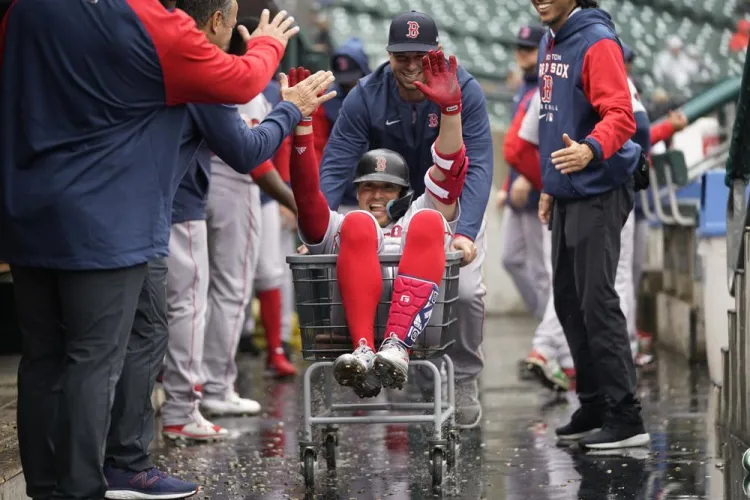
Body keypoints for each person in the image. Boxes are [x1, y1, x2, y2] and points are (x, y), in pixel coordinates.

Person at [0, 0, 301, 497]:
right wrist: (269, 43)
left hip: (29, 208)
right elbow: (242, 82)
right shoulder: (146, 19)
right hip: (104, 220)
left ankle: (48, 486)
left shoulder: (24, 9)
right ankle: (81, 488)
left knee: (44, 359)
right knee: (93, 360)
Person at [159, 13, 334, 446]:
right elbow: (250, 153)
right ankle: (208, 389)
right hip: (217, 189)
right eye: (237, 23)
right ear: (218, 22)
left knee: (189, 298)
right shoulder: (223, 75)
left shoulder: (195, 63)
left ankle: (196, 389)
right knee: (214, 293)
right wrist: (297, 198)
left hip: (187, 188)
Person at [318, 11, 493, 425]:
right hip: (389, 206)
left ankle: (464, 378)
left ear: (435, 51)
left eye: (420, 53)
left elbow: (480, 163)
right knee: (375, 288)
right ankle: (397, 361)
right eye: (402, 55)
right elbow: (338, 161)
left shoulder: (461, 87)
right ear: (388, 55)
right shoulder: (367, 93)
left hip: (446, 202)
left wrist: (466, 231)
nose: (411, 63)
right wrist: (318, 227)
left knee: (465, 292)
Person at [290, 52, 472, 397]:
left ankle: (396, 346)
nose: (376, 194)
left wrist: (450, 113)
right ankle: (365, 348)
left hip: (419, 330)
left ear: (403, 191)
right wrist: (302, 127)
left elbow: (449, 172)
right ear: (356, 190)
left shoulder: (418, 209)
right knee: (358, 225)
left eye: (387, 187)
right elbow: (307, 200)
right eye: (368, 186)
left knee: (430, 221)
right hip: (347, 332)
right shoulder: (344, 221)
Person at [531, 0, 650, 449]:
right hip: (567, 188)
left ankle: (627, 414)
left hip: (599, 184)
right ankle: (595, 402)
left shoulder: (596, 40)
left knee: (596, 300)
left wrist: (590, 151)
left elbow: (620, 115)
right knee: (567, 300)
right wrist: (550, 183)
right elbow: (555, 122)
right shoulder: (551, 38)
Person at [498, 24, 549, 321]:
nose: (522, 52)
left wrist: (529, 178)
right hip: (519, 185)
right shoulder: (524, 87)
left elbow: (549, 139)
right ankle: (547, 323)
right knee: (511, 258)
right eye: (519, 47)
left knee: (542, 269)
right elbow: (518, 143)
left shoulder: (545, 85)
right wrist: (509, 183)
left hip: (537, 187)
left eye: (528, 48)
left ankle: (551, 336)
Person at [312, 38, 373, 197]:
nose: (348, 85)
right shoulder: (327, 99)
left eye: (352, 80)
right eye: (344, 82)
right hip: (341, 185)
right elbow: (317, 146)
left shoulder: (379, 95)